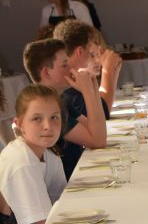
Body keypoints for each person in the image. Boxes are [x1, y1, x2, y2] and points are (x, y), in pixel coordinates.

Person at [30, 27, 108, 178]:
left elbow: (97, 130)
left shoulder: (61, 100)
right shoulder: (46, 108)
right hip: (65, 183)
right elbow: (98, 141)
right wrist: (87, 91)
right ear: (46, 72)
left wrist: (92, 84)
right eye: (64, 65)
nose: (71, 69)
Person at [0, 85, 66, 224]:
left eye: (54, 117)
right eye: (37, 119)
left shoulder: (49, 153)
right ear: (19, 124)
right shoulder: (22, 161)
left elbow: (63, 203)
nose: (48, 126)